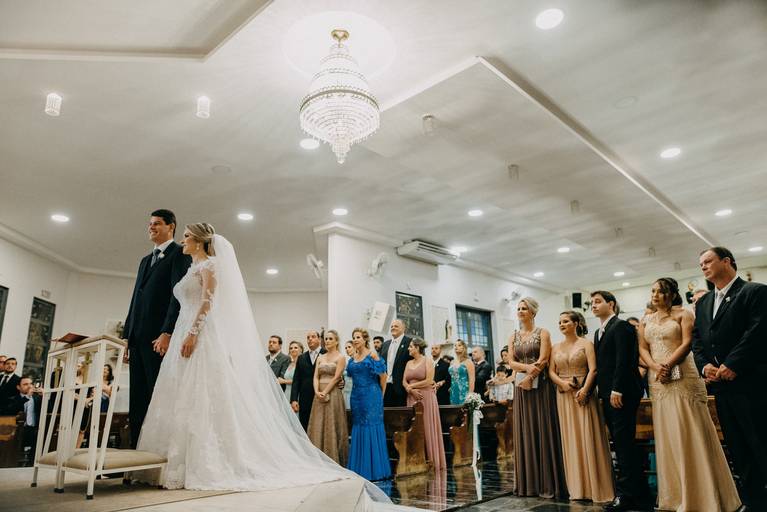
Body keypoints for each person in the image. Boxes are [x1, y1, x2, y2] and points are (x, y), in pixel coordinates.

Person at [135, 225, 394, 507]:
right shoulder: (191, 268)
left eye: (187, 236)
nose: (183, 241)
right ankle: (172, 461)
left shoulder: (210, 265)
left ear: (199, 241)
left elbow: (207, 303)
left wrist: (193, 333)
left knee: (202, 394)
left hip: (198, 335)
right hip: (182, 332)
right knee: (180, 396)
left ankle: (203, 462)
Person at [639, 277, 741, 512]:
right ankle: (676, 496)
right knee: (668, 434)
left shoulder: (683, 314)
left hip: (683, 375)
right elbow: (642, 348)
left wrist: (668, 364)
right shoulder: (645, 320)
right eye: (652, 291)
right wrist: (655, 367)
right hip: (659, 381)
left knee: (690, 429)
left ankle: (704, 495)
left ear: (671, 294)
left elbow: (687, 344)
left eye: (660, 291)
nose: (655, 295)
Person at [693, 247, 767, 508]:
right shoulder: (704, 302)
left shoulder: (754, 291)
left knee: (760, 441)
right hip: (721, 386)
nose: (703, 266)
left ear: (727, 261)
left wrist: (733, 363)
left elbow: (758, 331)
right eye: (701, 264)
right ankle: (753, 500)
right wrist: (704, 366)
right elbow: (697, 339)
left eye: (708, 261)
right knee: (737, 446)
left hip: (750, 382)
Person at [123, 209, 191, 447]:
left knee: (157, 394)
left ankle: (157, 449)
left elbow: (177, 296)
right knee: (137, 396)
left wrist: (167, 331)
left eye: (157, 223)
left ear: (171, 226)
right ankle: (136, 450)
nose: (151, 227)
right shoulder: (145, 260)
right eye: (150, 223)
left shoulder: (179, 254)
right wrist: (126, 336)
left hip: (158, 339)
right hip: (137, 337)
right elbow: (135, 299)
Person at [549, 311, 614, 504]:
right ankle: (577, 488)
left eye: (566, 321)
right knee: (571, 438)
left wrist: (585, 390)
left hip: (584, 394)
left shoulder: (587, 344)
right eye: (560, 322)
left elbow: (594, 369)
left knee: (588, 436)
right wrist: (561, 383)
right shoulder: (555, 347)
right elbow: (551, 371)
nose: (562, 324)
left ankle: (596, 487)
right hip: (564, 395)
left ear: (576, 323)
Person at [591, 290, 648, 511]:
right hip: (607, 393)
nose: (593, 305)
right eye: (591, 302)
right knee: (621, 444)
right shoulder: (598, 332)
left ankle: (627, 496)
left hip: (621, 393)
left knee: (624, 445)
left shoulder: (622, 326)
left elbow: (624, 360)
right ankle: (638, 495)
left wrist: (617, 389)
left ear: (611, 304)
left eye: (598, 301)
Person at [507, 297, 567, 499]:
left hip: (541, 388)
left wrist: (531, 376)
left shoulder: (543, 333)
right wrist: (526, 369)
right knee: (525, 429)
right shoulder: (513, 336)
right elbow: (511, 362)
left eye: (524, 308)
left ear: (533, 312)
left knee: (542, 427)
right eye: (518, 308)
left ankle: (548, 482)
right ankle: (529, 484)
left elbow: (543, 359)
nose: (520, 311)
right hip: (521, 388)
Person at [346, 327, 391, 481]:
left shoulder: (372, 355)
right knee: (358, 426)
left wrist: (380, 395)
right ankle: (359, 468)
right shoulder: (352, 357)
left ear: (365, 339)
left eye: (358, 337)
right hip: (356, 396)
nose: (355, 340)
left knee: (371, 426)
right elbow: (350, 376)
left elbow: (383, 376)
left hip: (372, 396)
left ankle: (374, 469)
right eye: (354, 337)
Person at [307, 330, 349, 466]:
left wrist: (325, 391)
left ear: (337, 341)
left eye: (331, 339)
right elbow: (315, 376)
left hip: (333, 394)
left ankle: (333, 459)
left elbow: (337, 377)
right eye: (326, 339)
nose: (327, 341)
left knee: (332, 424)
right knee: (318, 425)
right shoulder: (320, 357)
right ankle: (317, 459)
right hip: (318, 395)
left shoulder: (341, 357)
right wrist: (317, 391)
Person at [403, 338, 446, 470]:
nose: (409, 348)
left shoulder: (427, 361)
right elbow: (404, 381)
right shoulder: (408, 363)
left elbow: (429, 380)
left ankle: (431, 461)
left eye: (411, 346)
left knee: (426, 427)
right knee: (414, 428)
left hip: (425, 397)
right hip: (412, 397)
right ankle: (416, 461)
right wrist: (410, 389)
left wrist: (412, 386)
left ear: (417, 348)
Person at [291, 330, 326, 431]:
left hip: (322, 396)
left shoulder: (326, 354)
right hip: (304, 398)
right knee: (305, 426)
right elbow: (296, 379)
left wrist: (341, 382)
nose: (310, 339)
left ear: (319, 339)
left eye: (313, 337)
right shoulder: (301, 358)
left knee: (320, 426)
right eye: (308, 337)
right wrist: (294, 399)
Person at [381, 319, 412, 407]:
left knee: (401, 414)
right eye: (392, 326)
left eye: (396, 326)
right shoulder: (385, 344)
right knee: (386, 413)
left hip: (401, 387)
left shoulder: (409, 342)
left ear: (403, 328)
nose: (393, 328)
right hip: (386, 387)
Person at [448, 340, 474, 405]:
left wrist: (470, 395)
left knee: (463, 409)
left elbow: (472, 379)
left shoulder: (468, 362)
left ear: (463, 348)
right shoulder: (452, 362)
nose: (456, 347)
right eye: (455, 345)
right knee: (454, 409)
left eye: (459, 345)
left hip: (464, 390)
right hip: (454, 390)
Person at [343, 340, 355, 409]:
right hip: (346, 391)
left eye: (349, 347)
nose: (347, 349)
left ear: (355, 347)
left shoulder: (358, 361)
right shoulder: (349, 362)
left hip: (354, 392)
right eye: (346, 348)